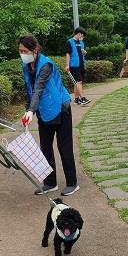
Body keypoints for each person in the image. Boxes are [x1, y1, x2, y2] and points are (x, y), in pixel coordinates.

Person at [19, 35, 79, 196]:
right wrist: (28, 109)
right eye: (20, 51)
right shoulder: (26, 66)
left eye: (25, 51)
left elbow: (38, 88)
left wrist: (31, 110)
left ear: (35, 50)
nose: (22, 54)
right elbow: (29, 89)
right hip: (43, 111)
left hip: (61, 108)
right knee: (45, 147)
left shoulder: (46, 65)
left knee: (64, 147)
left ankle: (72, 183)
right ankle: (50, 182)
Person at [65, 26, 91, 106]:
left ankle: (76, 99)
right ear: (79, 34)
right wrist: (67, 65)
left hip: (81, 64)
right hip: (73, 65)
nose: (82, 37)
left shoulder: (81, 42)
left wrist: (84, 52)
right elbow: (68, 54)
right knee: (78, 82)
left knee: (78, 82)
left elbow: (83, 52)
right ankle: (83, 98)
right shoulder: (70, 42)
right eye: (82, 35)